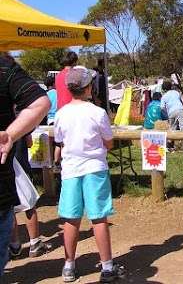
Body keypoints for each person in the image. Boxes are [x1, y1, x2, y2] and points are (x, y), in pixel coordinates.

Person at [54, 66, 125, 282]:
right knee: (98, 217)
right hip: (95, 168)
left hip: (71, 170)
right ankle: (107, 266)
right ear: (89, 88)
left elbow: (60, 139)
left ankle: (68, 266)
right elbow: (109, 142)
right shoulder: (97, 112)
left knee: (71, 218)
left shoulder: (61, 113)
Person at [0, 54, 50, 276]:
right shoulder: (5, 66)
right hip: (8, 176)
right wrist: (12, 135)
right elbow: (40, 103)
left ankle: (18, 243)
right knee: (27, 202)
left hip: (7, 180)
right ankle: (29, 241)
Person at [9, 134, 50, 259]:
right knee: (29, 205)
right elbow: (29, 143)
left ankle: (14, 246)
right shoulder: (17, 118)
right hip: (18, 164)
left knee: (8, 207)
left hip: (6, 168)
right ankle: (34, 242)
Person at [160, 80, 183, 153]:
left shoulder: (164, 96)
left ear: (164, 89)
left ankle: (170, 146)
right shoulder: (176, 92)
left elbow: (162, 108)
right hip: (179, 109)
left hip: (170, 113)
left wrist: (167, 115)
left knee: (172, 128)